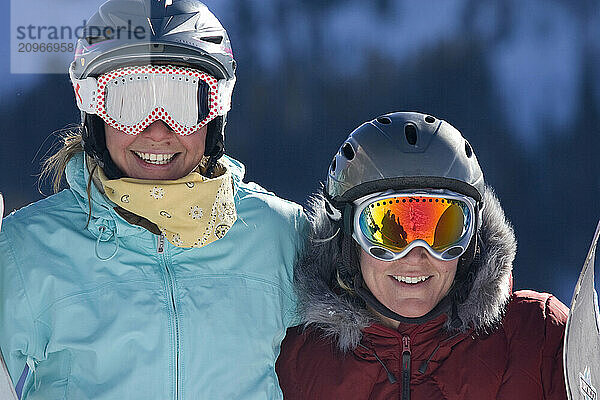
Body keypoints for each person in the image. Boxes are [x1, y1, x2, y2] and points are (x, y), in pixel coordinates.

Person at [0, 1, 306, 399]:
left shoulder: (283, 235)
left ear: (214, 116)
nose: (158, 130)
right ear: (94, 110)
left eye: (183, 103)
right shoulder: (26, 248)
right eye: (131, 102)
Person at [276, 111, 568, 399]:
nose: (416, 256)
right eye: (388, 229)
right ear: (348, 238)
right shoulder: (295, 362)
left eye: (442, 229)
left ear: (471, 240)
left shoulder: (539, 341)